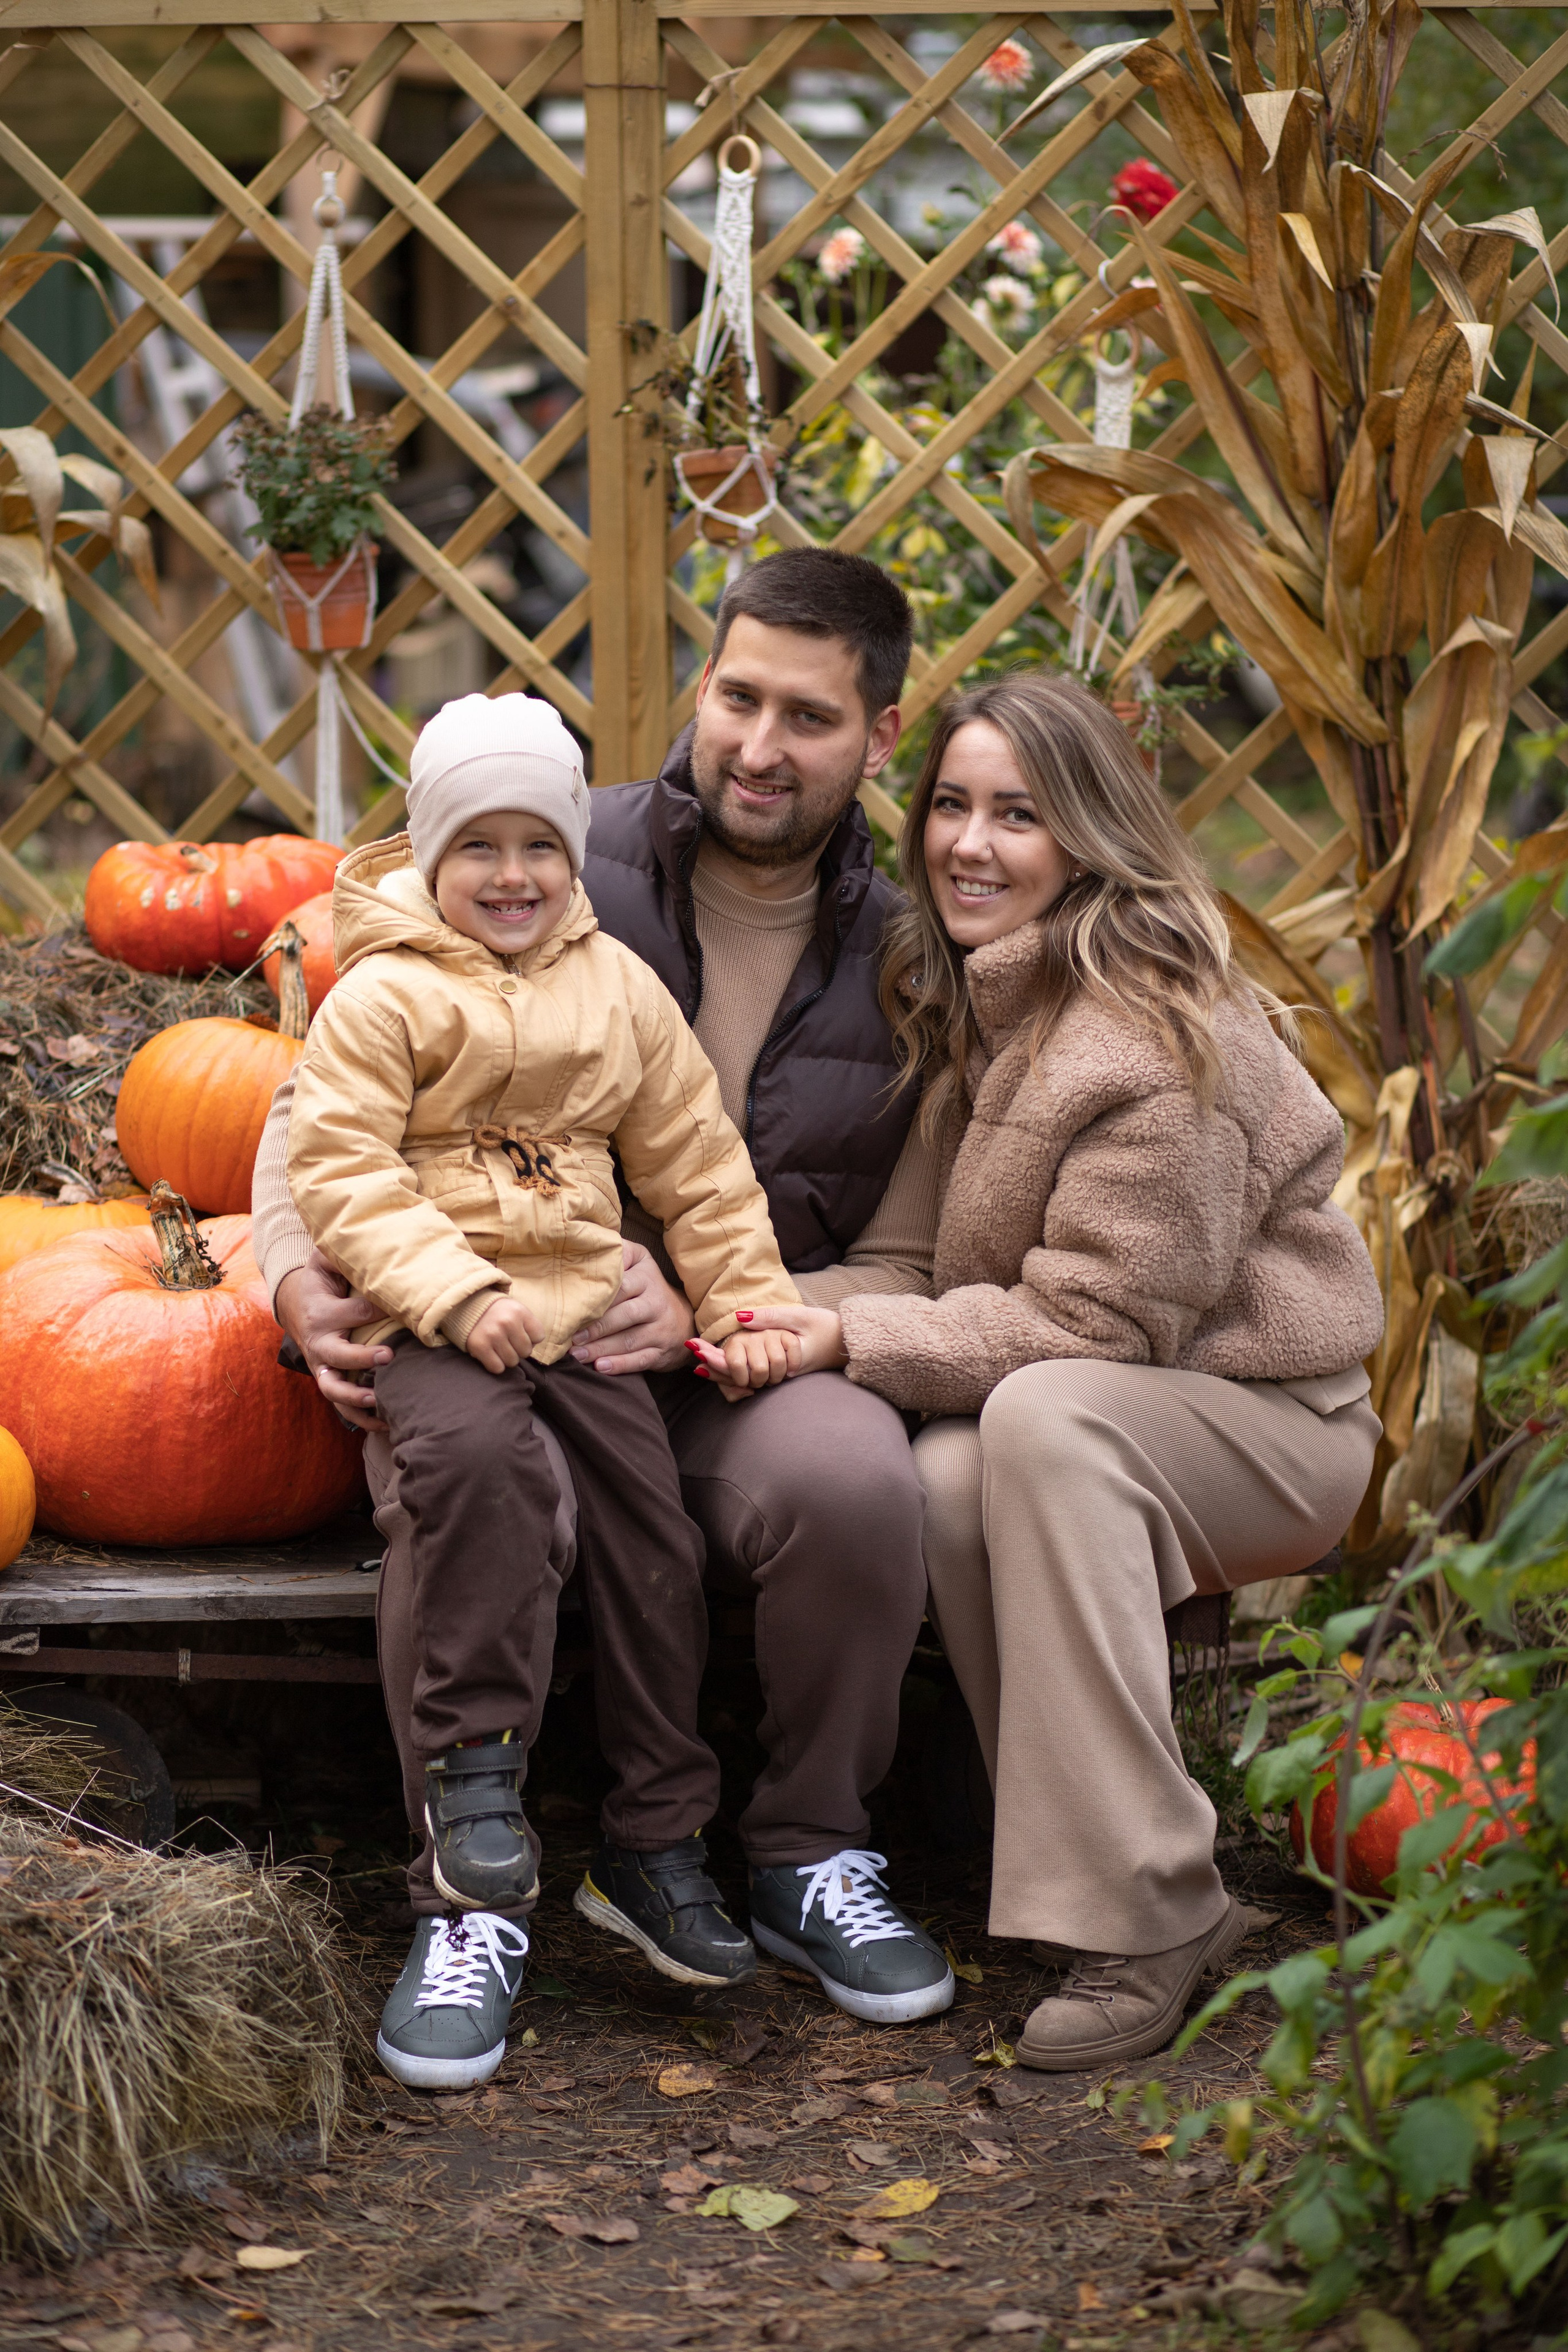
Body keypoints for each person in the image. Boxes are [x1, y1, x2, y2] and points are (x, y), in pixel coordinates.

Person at [252, 549, 958, 2073]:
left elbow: (815, 1217)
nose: (761, 746)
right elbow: (307, 1127)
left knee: (846, 1479)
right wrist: (304, 1281)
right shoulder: (567, 854)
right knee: (480, 1489)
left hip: (720, 1348)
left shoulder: (913, 955)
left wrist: (736, 1302)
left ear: (880, 735)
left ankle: (795, 1852)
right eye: (738, 696)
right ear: (698, 687)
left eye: (811, 718)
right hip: (473, 1326)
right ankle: (467, 1893)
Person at [699, 669, 1385, 2071]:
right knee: (953, 1470)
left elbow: (1096, 1331)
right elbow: (910, 1273)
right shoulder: (988, 1002)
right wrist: (742, 1307)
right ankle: (1078, 1867)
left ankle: (1154, 1913)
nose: (968, 842)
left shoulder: (1144, 1026)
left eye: (1017, 814)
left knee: (1038, 1418)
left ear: (1087, 835)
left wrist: (847, 1342)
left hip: (1266, 1425)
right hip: (1111, 1396)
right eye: (949, 804)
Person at [284, 692, 804, 2085]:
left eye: (540, 846)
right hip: (440, 1323)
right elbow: (341, 1170)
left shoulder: (616, 988)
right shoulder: (383, 993)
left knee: (652, 1540)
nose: (510, 876)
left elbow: (694, 1160)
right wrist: (452, 1293)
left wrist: (747, 1304)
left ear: (576, 856)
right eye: (478, 846)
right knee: (482, 1485)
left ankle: (651, 1836)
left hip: (579, 1315)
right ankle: (469, 1814)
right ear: (427, 853)